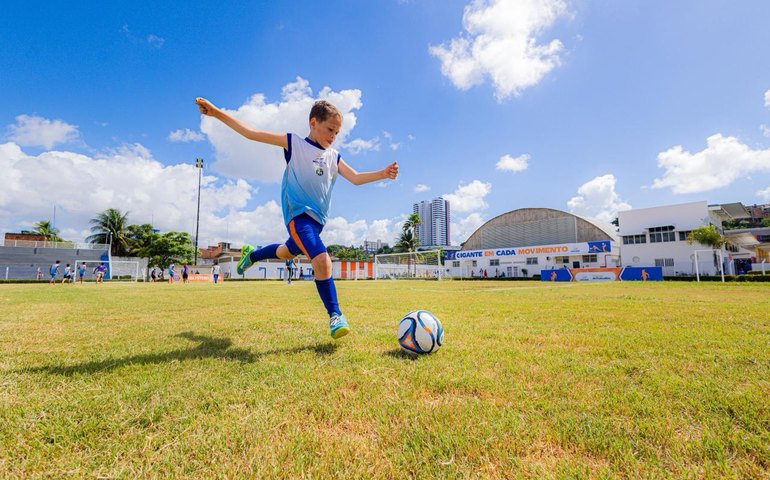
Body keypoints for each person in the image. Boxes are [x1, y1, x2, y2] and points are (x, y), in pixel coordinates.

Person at [196, 96, 398, 339]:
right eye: (330, 129)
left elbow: (355, 178)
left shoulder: (334, 156)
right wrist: (217, 112)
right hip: (298, 217)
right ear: (313, 123)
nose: (333, 136)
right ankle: (335, 315)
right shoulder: (294, 144)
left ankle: (253, 254)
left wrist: (382, 174)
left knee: (286, 252)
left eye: (337, 132)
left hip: (317, 222)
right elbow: (251, 133)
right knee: (322, 260)